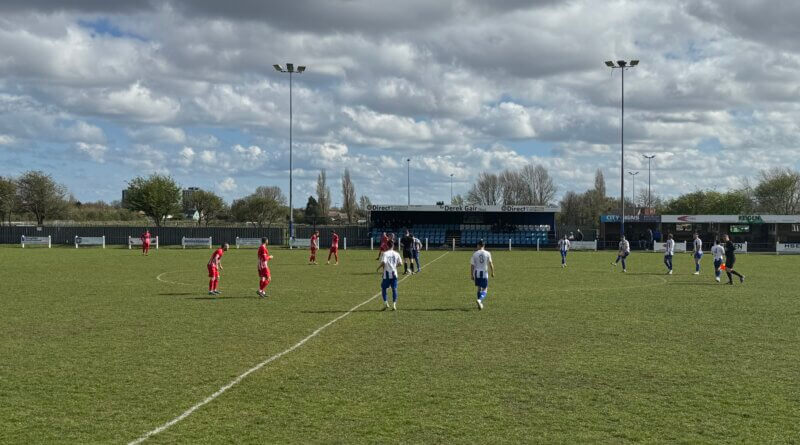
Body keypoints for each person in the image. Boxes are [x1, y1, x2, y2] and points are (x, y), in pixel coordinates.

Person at [377, 240, 402, 311]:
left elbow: (383, 262)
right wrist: (394, 266)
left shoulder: (385, 253)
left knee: (384, 288)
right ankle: (394, 304)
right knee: (394, 289)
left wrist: (378, 268)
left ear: (387, 246)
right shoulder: (397, 254)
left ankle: (386, 303)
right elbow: (401, 263)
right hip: (394, 274)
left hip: (387, 274)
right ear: (393, 245)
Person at [470, 239, 495, 310]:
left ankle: (479, 304)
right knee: (485, 289)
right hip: (484, 273)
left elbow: (472, 265)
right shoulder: (488, 253)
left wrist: (471, 275)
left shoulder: (475, 253)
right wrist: (492, 272)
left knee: (479, 288)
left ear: (478, 245)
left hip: (477, 273)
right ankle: (479, 300)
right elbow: (491, 264)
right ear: (484, 245)